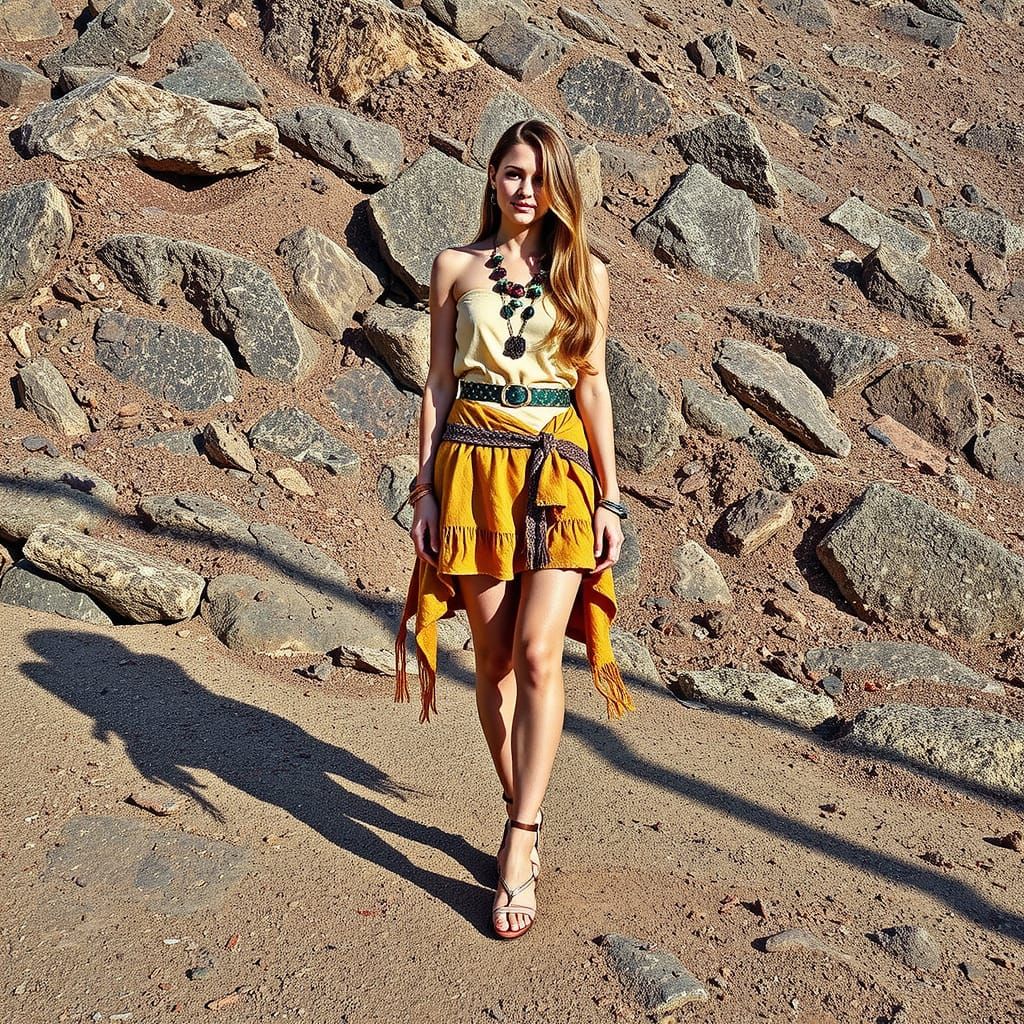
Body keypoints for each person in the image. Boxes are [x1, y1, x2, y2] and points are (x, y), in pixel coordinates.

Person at [393, 119, 634, 940]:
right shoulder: (454, 267)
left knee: (537, 652)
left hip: (557, 470)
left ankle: (521, 839)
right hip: (472, 470)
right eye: (512, 173)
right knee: (492, 660)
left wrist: (611, 500)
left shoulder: (587, 274)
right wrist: (424, 489)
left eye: (539, 176)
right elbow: (436, 384)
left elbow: (593, 387)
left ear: (560, 185)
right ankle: (519, 800)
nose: (525, 189)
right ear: (492, 177)